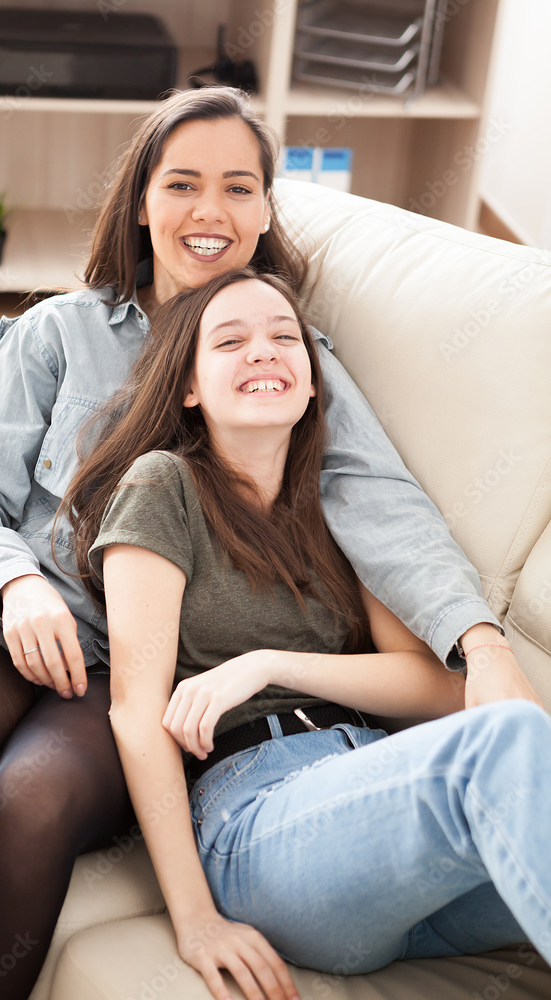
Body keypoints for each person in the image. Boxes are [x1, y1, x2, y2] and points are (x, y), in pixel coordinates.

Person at [0, 87, 538, 999]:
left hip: (126, 668)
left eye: (238, 188)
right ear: (140, 201)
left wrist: (481, 643)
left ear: (267, 211)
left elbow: (382, 505)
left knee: (38, 798)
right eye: (182, 184)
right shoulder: (59, 332)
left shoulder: (295, 360)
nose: (209, 211)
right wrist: (13, 586)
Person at [74, 267, 549, 1000]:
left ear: (311, 380)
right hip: (264, 822)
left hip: (407, 847)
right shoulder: (162, 485)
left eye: (284, 337)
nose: (263, 350)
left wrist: (270, 664)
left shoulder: (342, 507)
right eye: (229, 341)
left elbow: (437, 689)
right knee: (512, 733)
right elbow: (136, 713)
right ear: (189, 387)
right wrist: (196, 920)